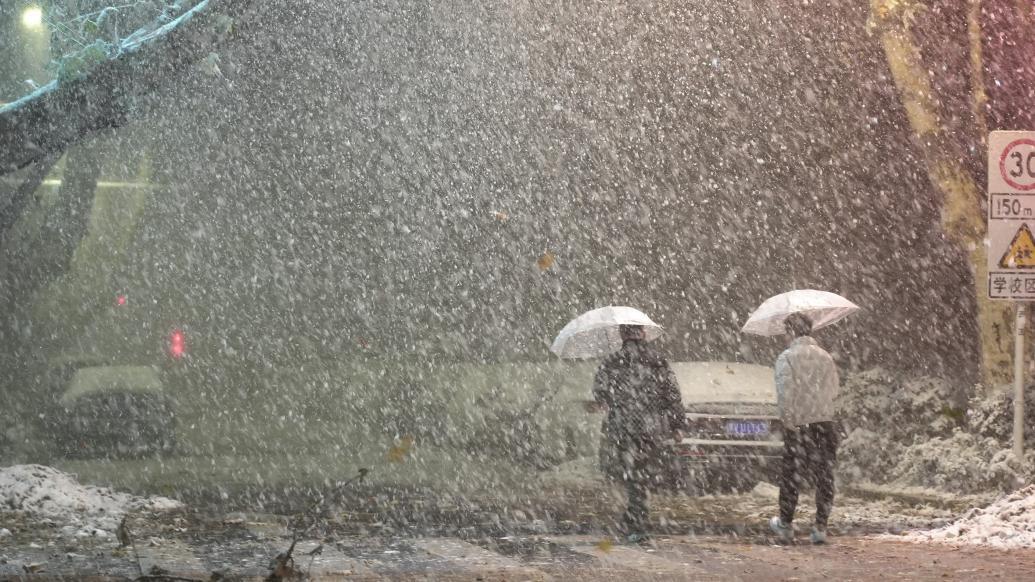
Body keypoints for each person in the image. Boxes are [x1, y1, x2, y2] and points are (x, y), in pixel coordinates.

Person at [591, 324, 687, 544]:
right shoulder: (658, 361)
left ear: (622, 335)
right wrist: (677, 425)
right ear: (643, 333)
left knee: (632, 475)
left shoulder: (611, 361)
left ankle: (637, 523)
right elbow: (672, 394)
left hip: (622, 427)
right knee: (640, 475)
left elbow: (600, 392)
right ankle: (633, 519)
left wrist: (608, 399)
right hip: (650, 428)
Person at [768, 313, 840, 545]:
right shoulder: (825, 357)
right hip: (824, 424)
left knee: (791, 476)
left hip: (799, 425)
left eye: (784, 332)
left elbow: (785, 393)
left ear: (790, 332)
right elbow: (834, 390)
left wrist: (788, 421)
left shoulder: (786, 358)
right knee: (824, 476)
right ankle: (820, 526)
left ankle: (786, 524)